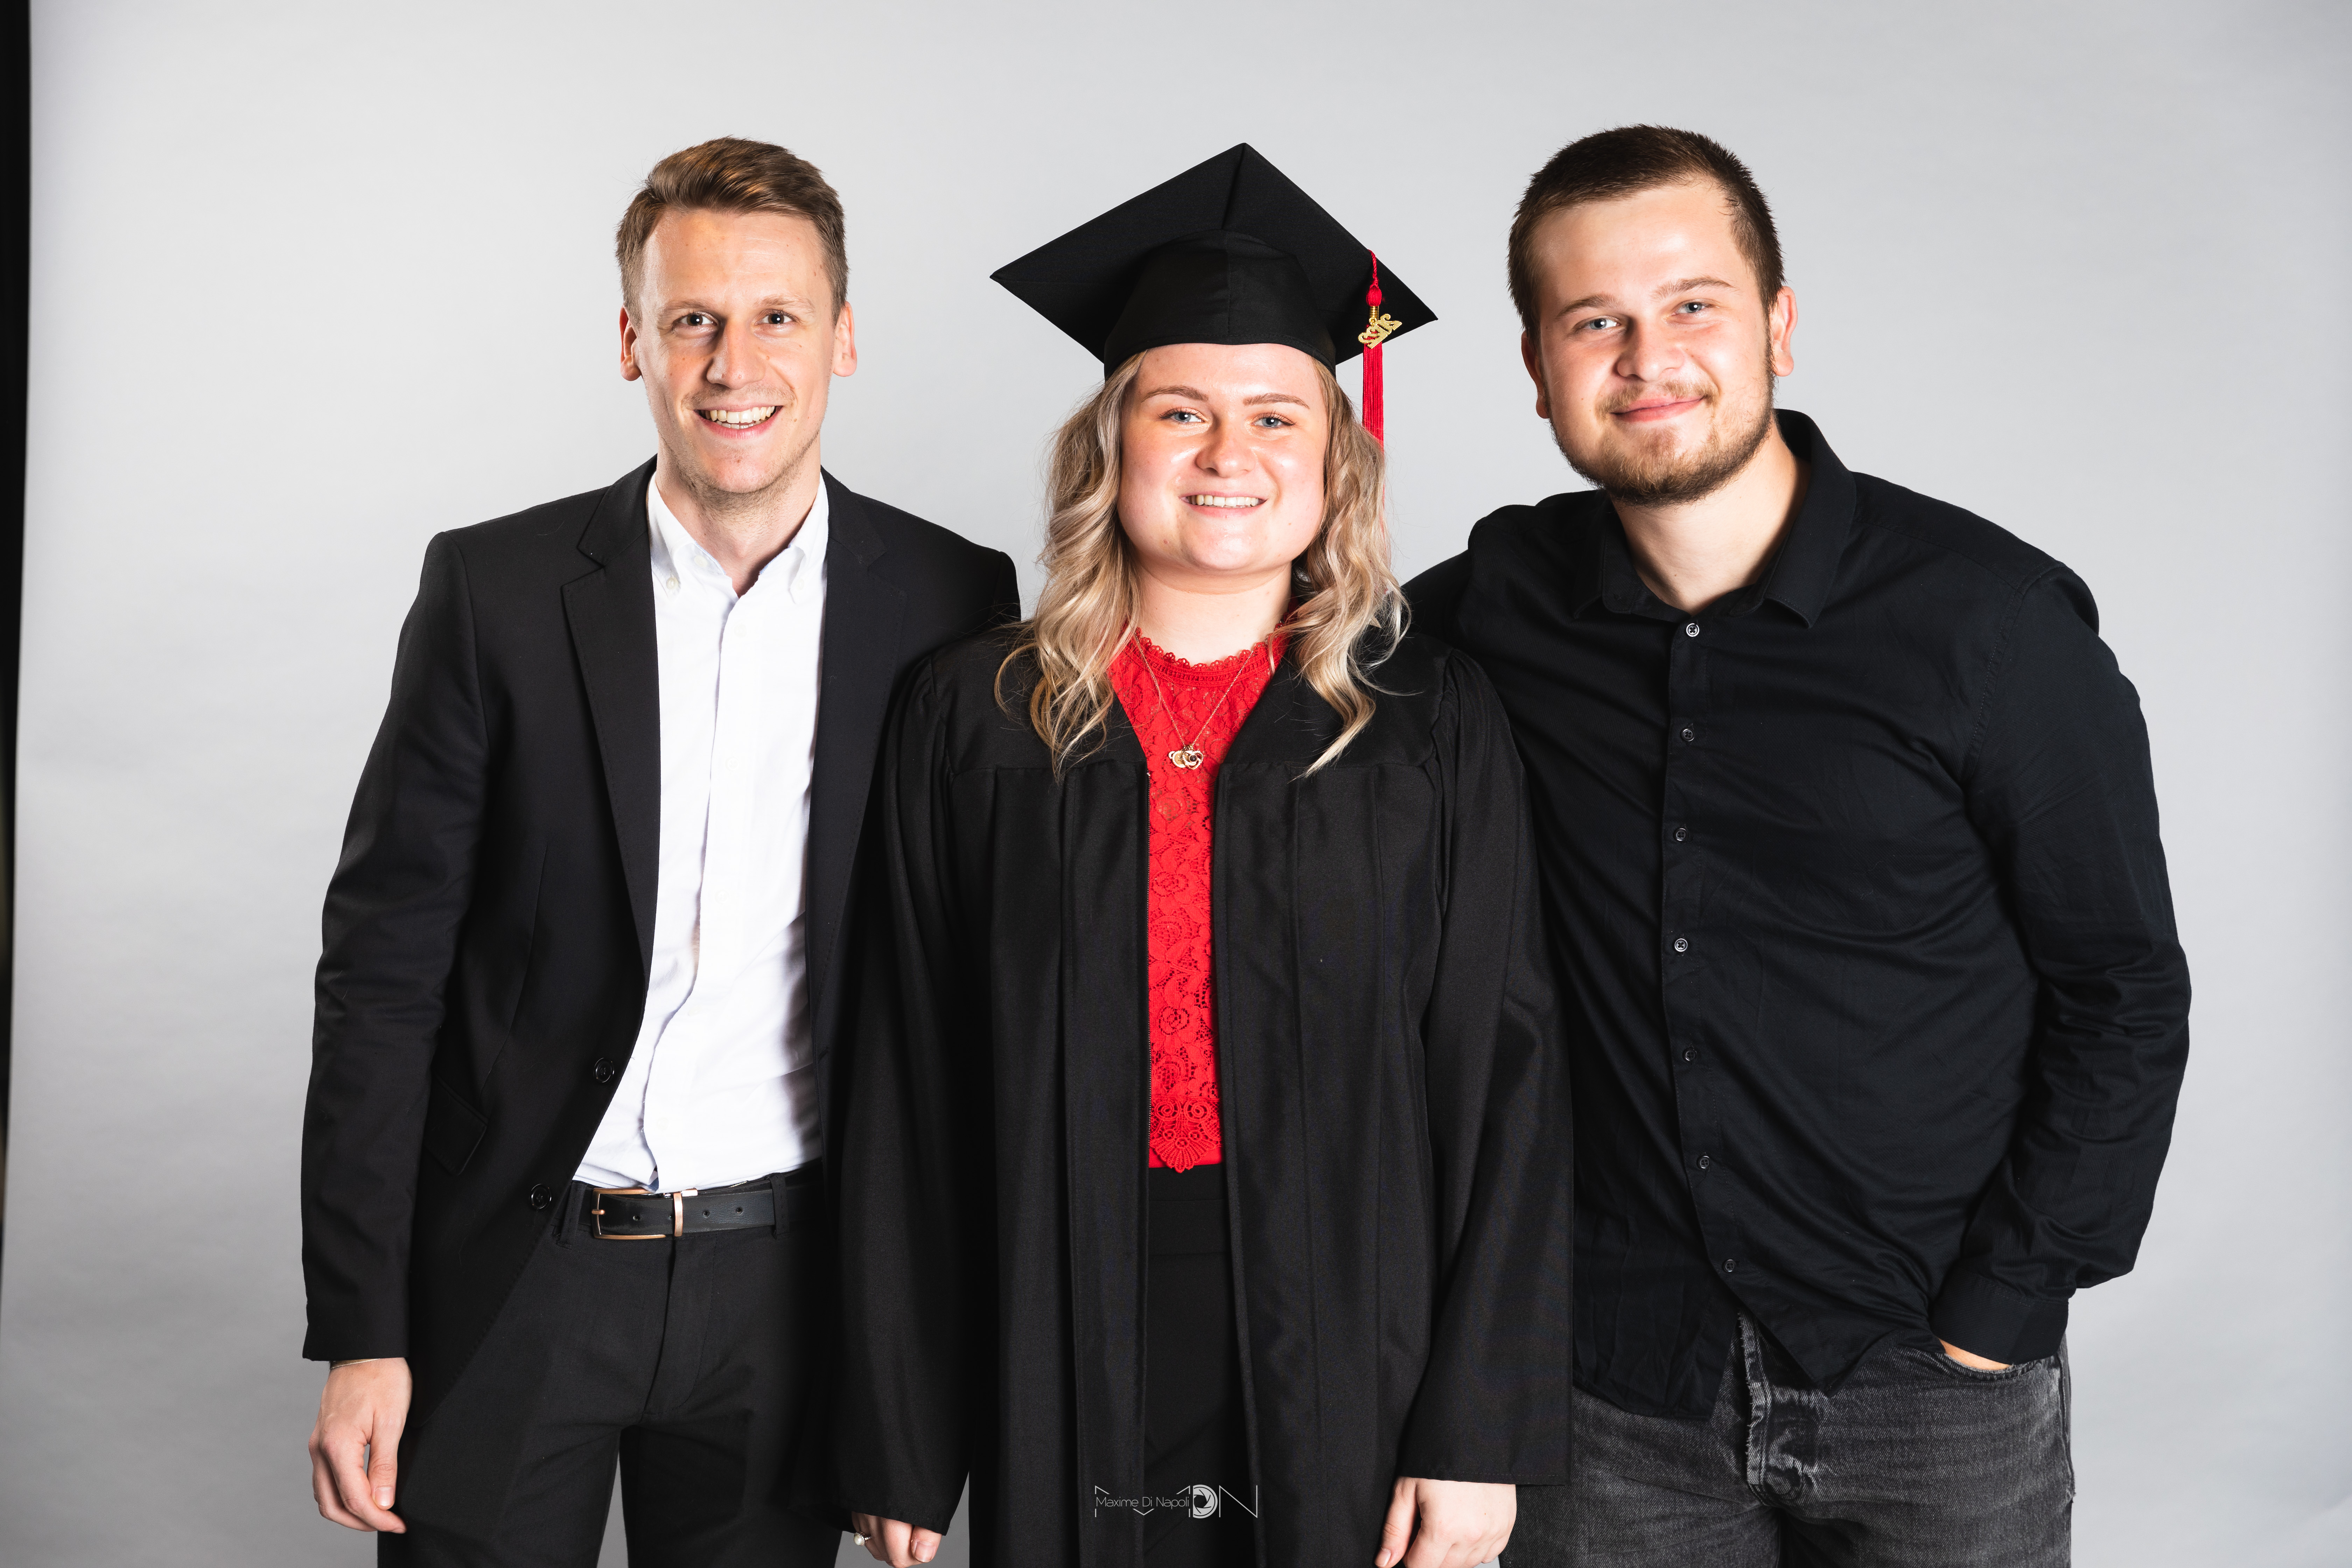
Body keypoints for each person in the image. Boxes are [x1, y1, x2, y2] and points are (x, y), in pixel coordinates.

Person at [1407, 125, 2192, 1566]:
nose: (1649, 358)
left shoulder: (1991, 624)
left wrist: (2004, 1311)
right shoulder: (1496, 607)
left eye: (1693, 304)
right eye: (1595, 321)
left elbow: (2124, 991)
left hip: (1930, 1379)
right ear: (1536, 366)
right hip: (1617, 1386)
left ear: (1778, 323)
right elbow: (1279, 669)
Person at [833, 145, 1572, 1568]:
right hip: (1058, 1302)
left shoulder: (1428, 722)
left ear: (1334, 460)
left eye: (1276, 416)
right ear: (1110, 448)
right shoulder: (977, 717)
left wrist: (1480, 1426)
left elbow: (1507, 1078)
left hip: (1358, 1326)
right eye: (1180, 411)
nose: (1230, 454)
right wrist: (901, 1429)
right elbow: (905, 1080)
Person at [300, 136, 1018, 1566]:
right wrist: (364, 1328)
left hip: (791, 1288)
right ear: (633, 340)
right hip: (519, 1274)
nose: (733, 363)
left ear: (844, 338)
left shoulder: (953, 600)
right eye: (692, 318)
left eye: (777, 317)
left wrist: (910, 1371)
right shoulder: (496, 591)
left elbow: (959, 995)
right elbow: (382, 977)